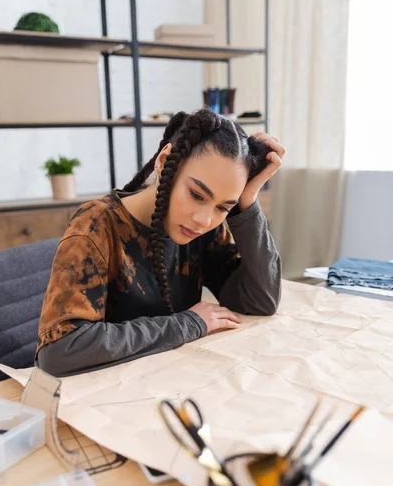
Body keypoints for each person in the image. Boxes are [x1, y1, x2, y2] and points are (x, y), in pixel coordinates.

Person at [36, 108, 284, 377]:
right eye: (197, 195)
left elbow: (261, 300)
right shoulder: (96, 225)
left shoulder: (199, 228)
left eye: (223, 207)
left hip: (168, 384)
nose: (204, 219)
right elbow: (60, 352)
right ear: (165, 161)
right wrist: (188, 323)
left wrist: (247, 202)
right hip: (98, 401)